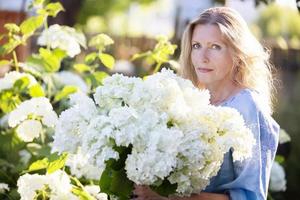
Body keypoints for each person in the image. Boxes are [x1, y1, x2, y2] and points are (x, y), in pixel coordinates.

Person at [132, 6, 280, 200]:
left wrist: (168, 197)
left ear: (237, 52)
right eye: (197, 46)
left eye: (215, 47)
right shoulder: (189, 99)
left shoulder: (247, 106)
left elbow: (251, 196)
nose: (202, 57)